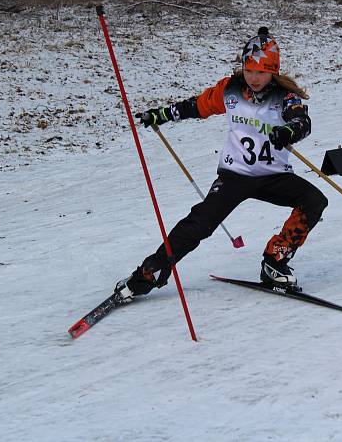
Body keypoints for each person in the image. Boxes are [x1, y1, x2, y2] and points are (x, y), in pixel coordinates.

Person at [114, 27, 328, 302]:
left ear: (273, 71)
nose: (254, 78)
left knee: (314, 201)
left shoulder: (285, 97)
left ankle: (275, 261)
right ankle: (150, 271)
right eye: (249, 70)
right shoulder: (230, 89)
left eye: (261, 72)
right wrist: (163, 114)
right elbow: (197, 106)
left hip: (274, 175)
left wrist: (289, 131)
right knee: (200, 222)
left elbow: (301, 121)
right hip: (235, 175)